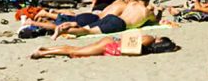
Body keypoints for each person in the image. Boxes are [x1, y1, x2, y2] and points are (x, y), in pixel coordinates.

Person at [30, 35, 178, 59]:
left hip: (110, 42)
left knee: (76, 49)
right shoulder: (149, 40)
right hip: (109, 46)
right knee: (75, 51)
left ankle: (47, 50)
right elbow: (129, 45)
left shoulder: (148, 39)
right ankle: (42, 53)